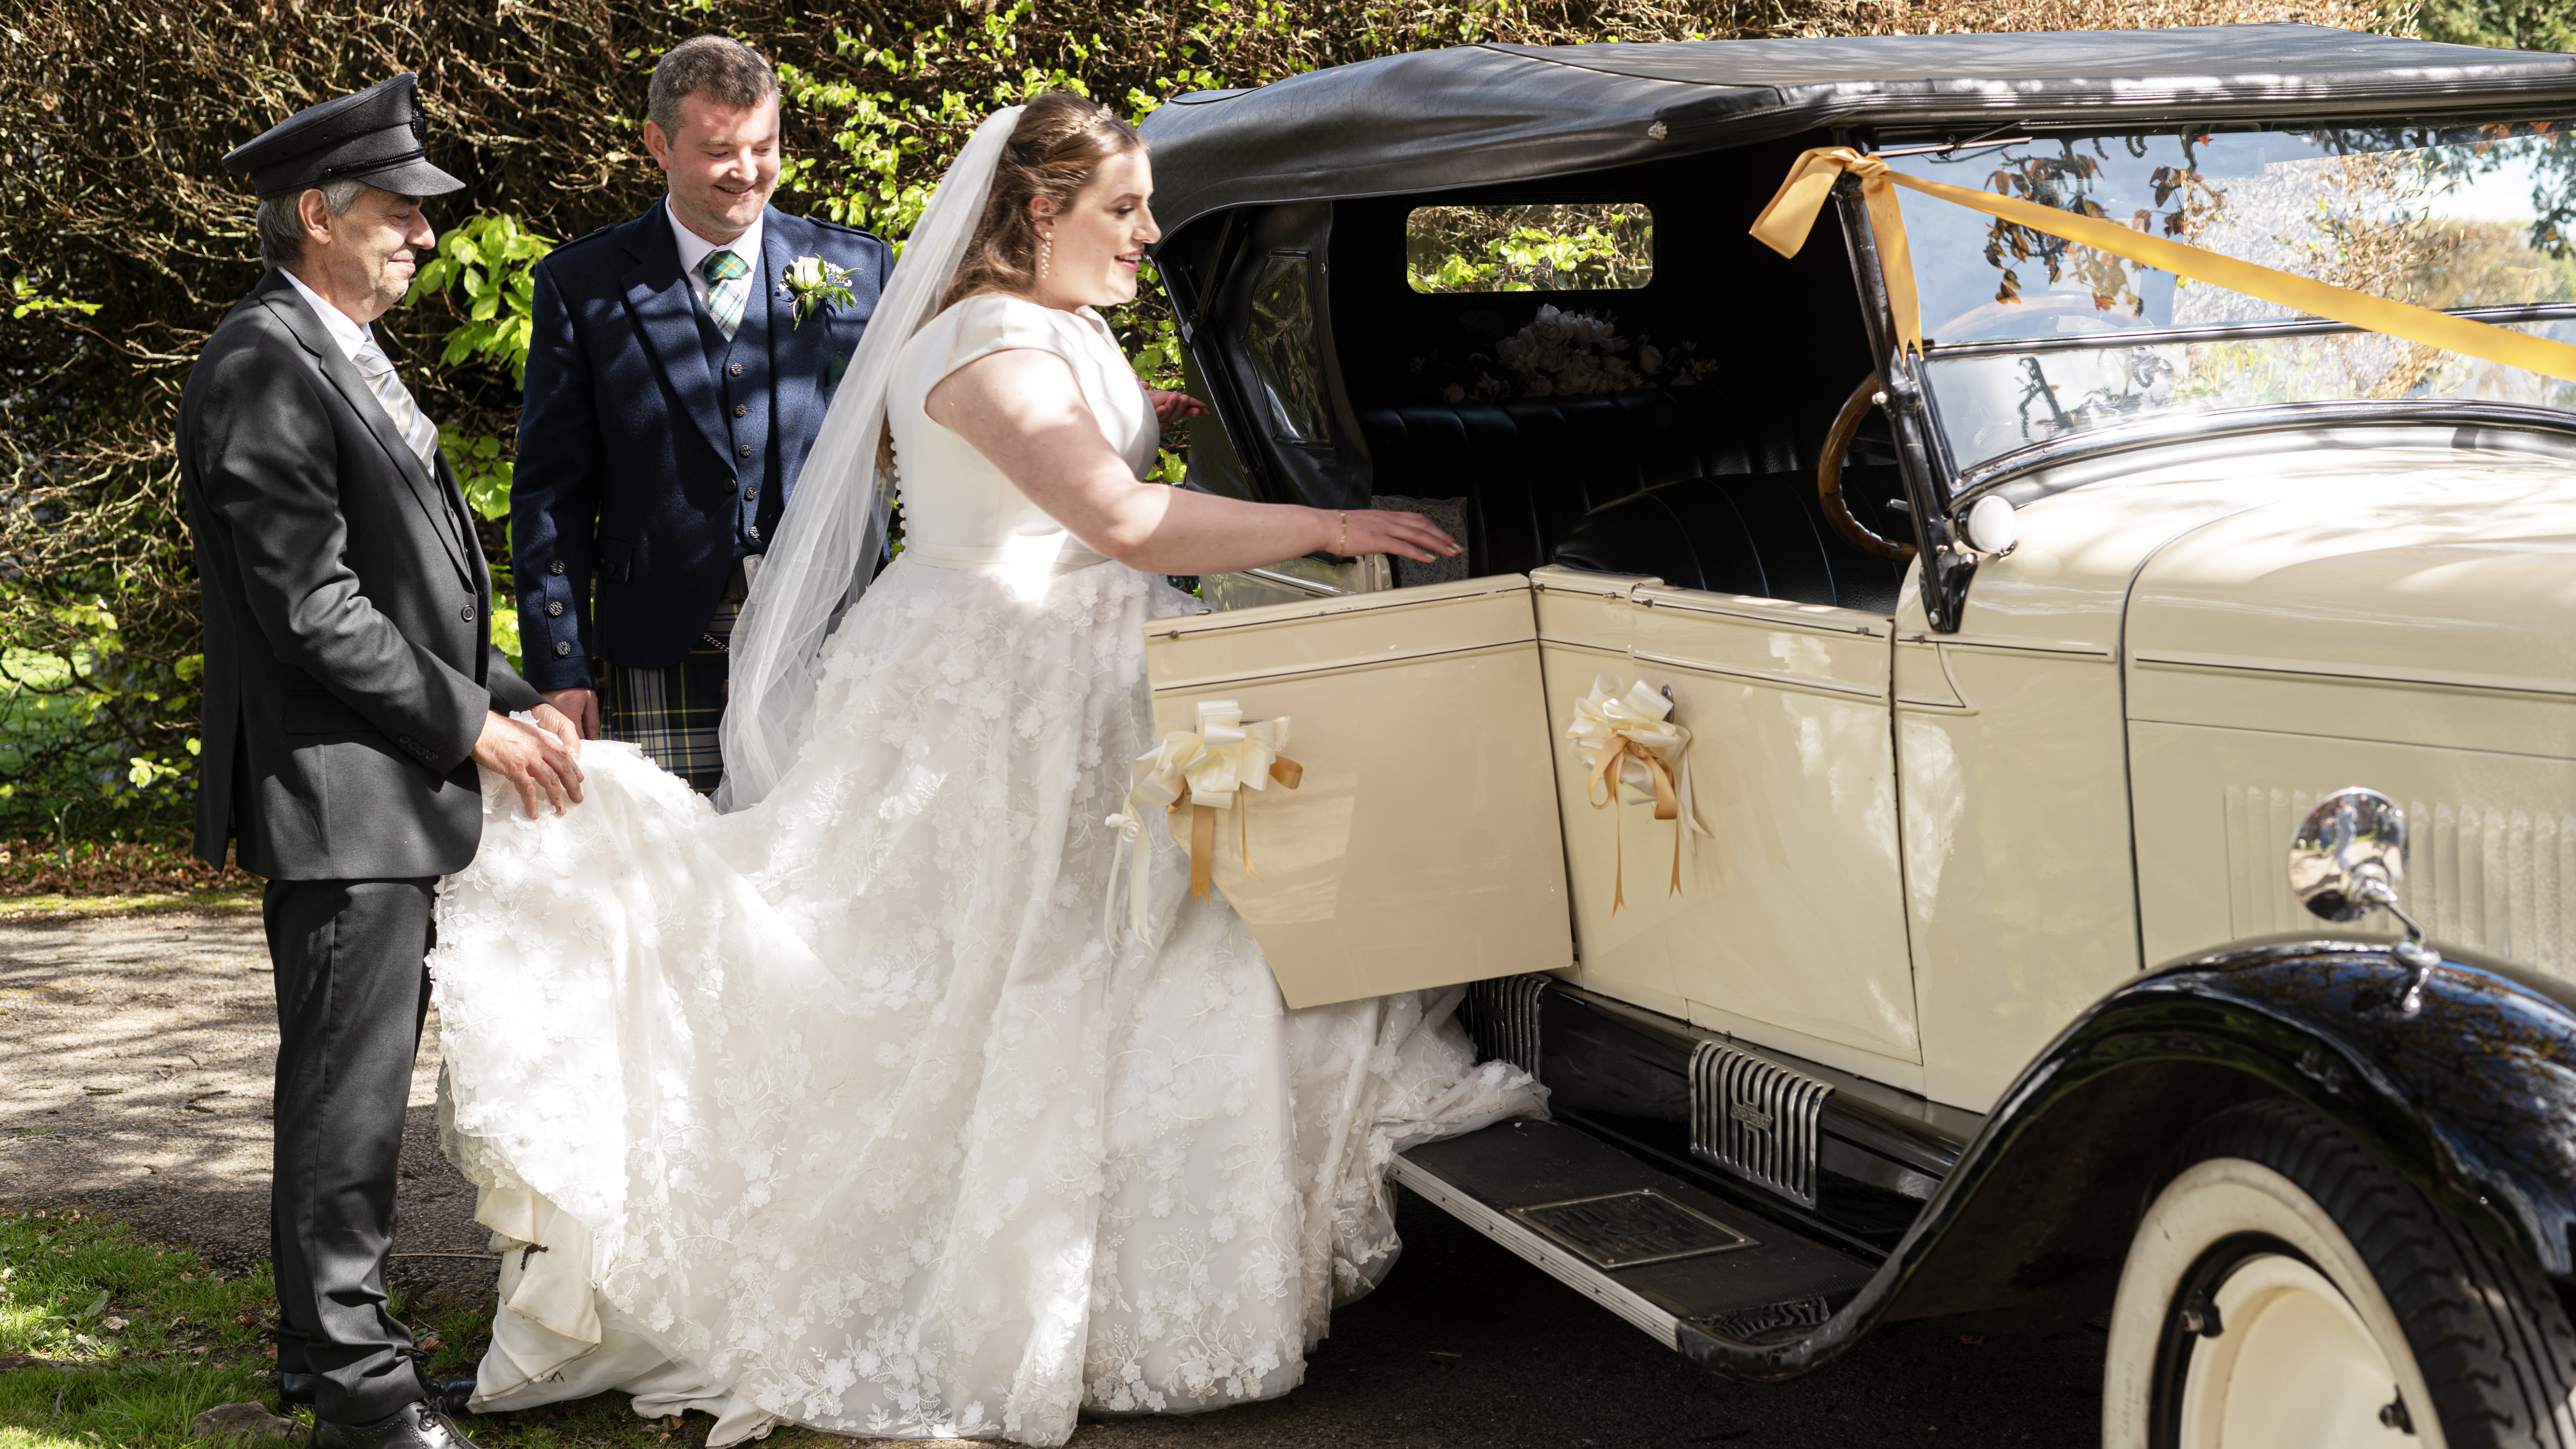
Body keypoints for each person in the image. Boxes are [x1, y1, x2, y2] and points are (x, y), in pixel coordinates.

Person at [430, 95, 1541, 1444]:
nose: (1146, 233)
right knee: (1021, 983)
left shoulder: (1051, 331)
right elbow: (1120, 517)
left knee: (1125, 965)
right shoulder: (986, 337)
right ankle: (1026, 1282)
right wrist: (1333, 519)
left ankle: (1118, 1264)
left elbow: (1072, 475)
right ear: (1038, 212)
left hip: (1072, 665)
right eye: (1120, 209)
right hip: (1010, 691)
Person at [181, 73, 586, 1449]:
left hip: (384, 789)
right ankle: (362, 1399)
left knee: (347, 1096)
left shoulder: (338, 351)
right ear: (316, 212)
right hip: (339, 795)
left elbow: (421, 601)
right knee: (346, 1112)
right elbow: (312, 606)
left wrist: (530, 700)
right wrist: (473, 725)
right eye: (401, 211)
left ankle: (318, 1358)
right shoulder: (259, 361)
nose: (424, 234)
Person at [509, 36, 891, 791]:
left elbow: (919, 422)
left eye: (764, 146)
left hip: (830, 635)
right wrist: (561, 663)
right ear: (658, 143)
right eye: (719, 151)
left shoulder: (858, 266)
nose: (747, 173)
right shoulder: (581, 285)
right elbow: (552, 493)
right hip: (657, 636)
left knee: (815, 876)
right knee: (677, 882)